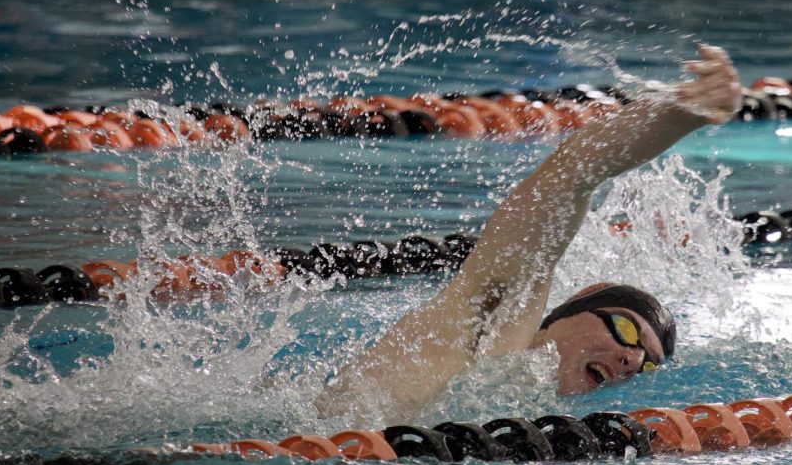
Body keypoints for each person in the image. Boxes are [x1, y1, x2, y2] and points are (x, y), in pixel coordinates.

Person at [316, 45, 743, 421]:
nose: (632, 358)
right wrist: (683, 111)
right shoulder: (488, 317)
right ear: (576, 306)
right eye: (626, 331)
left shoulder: (529, 416)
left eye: (646, 363)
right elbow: (571, 174)